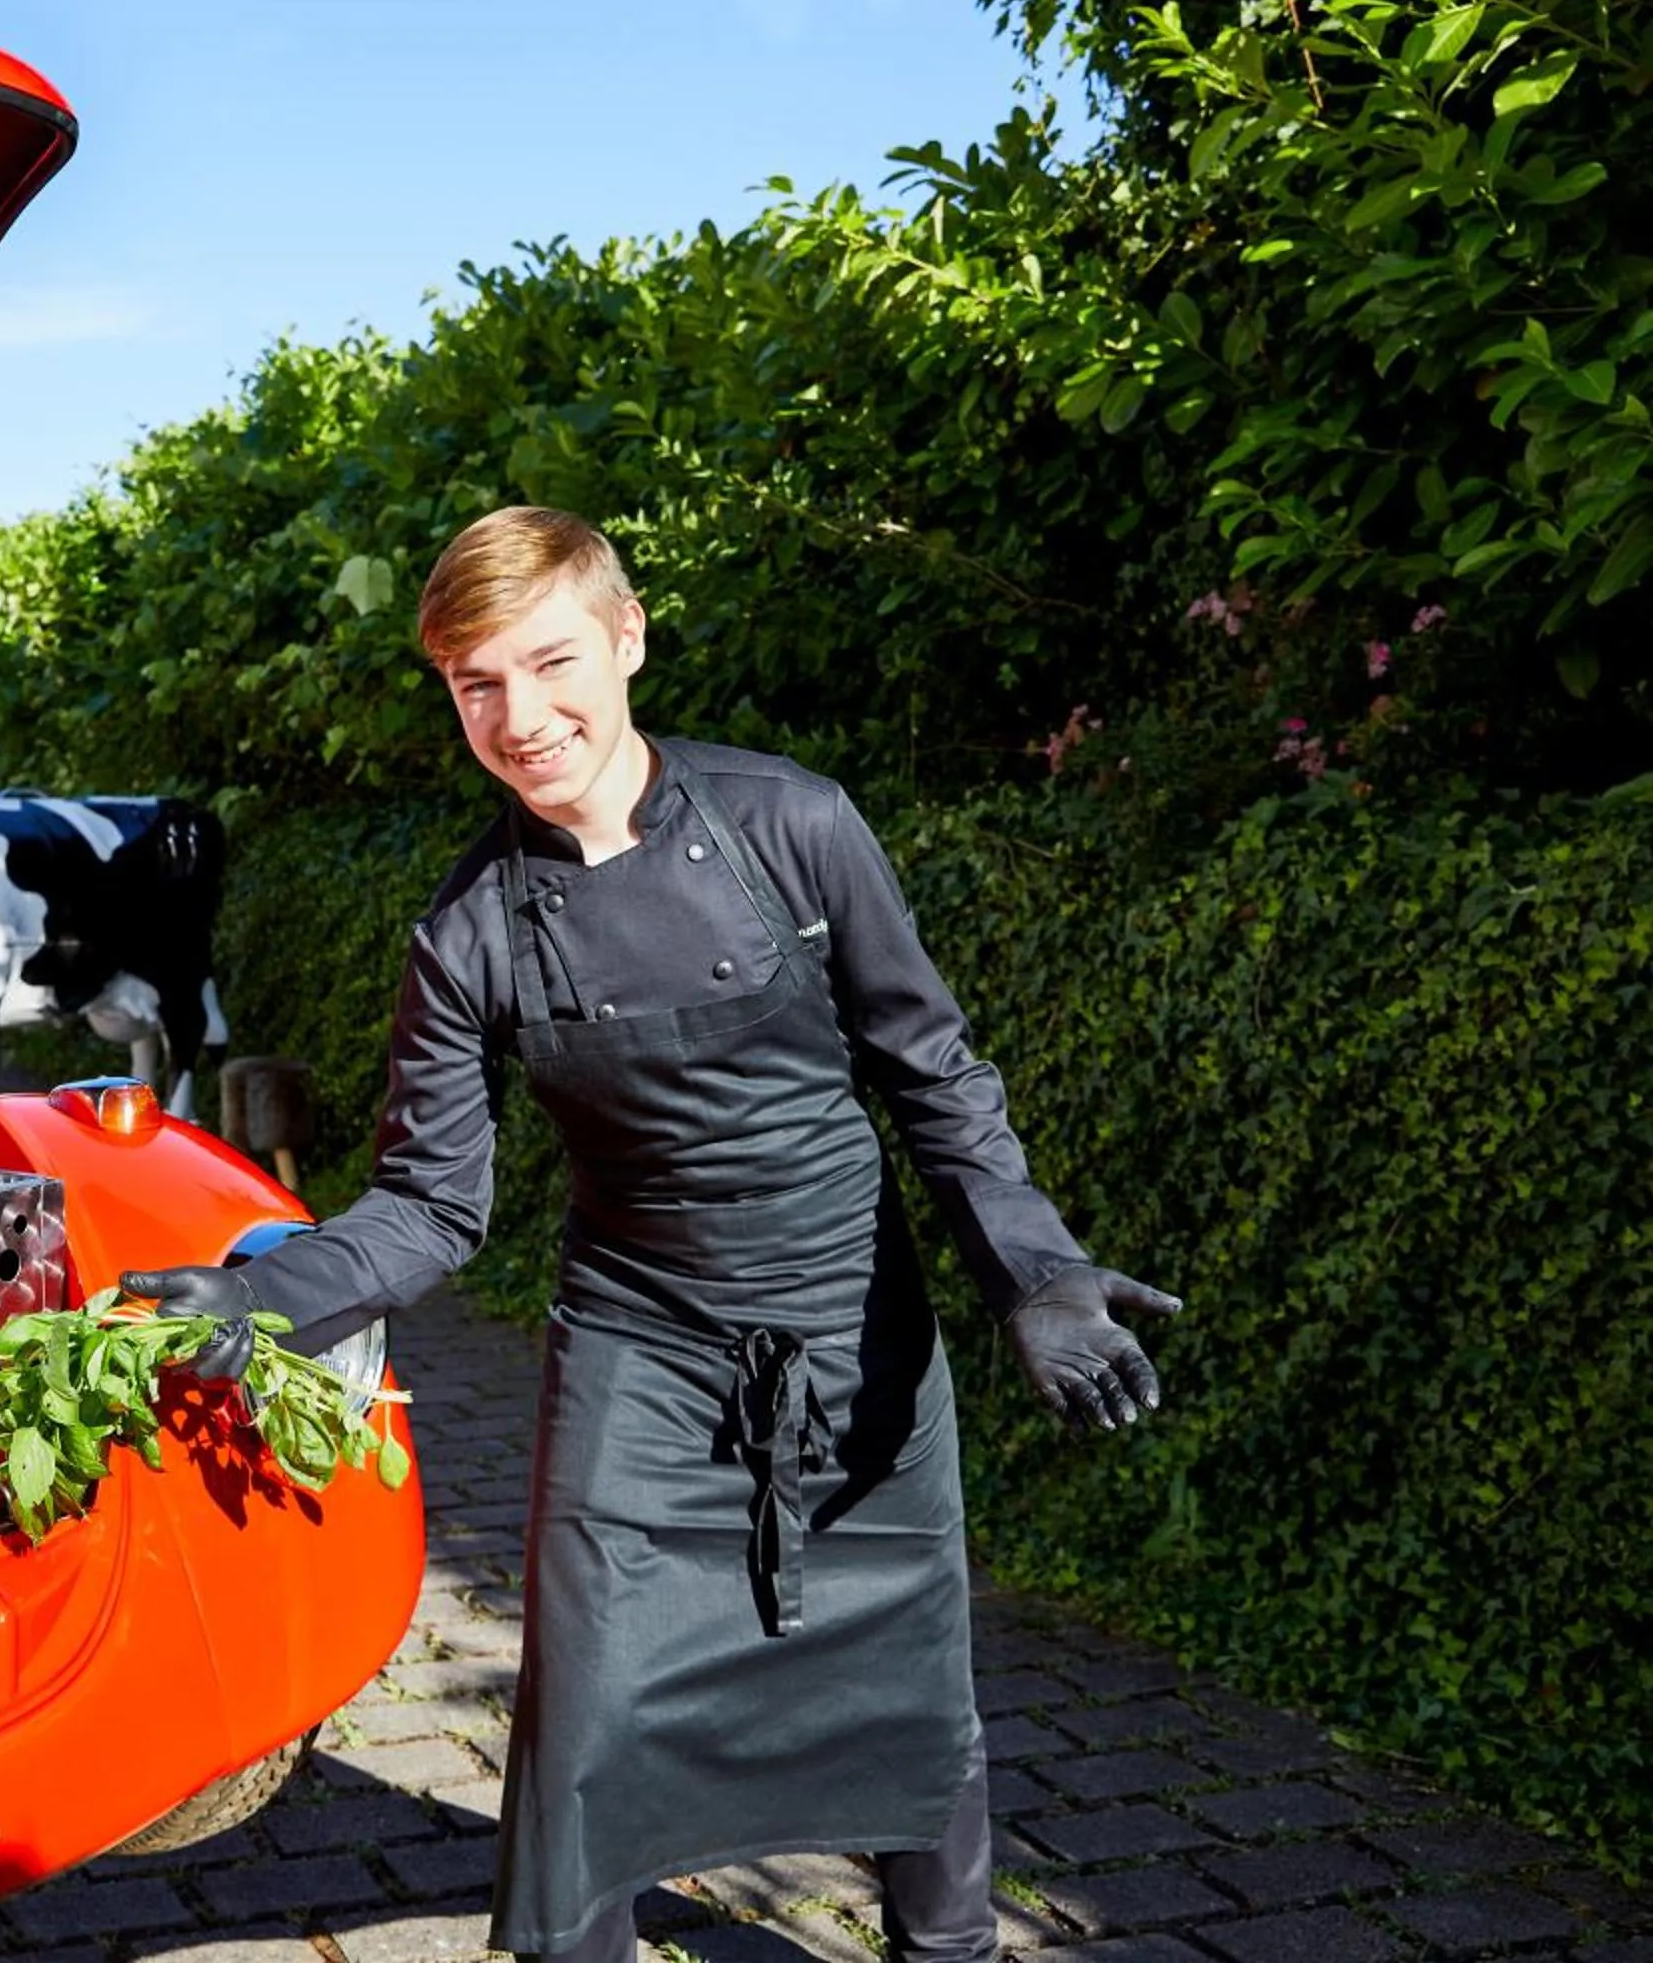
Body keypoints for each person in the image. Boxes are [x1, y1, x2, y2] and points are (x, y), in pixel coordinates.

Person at [120, 507, 1180, 1963]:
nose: (521, 715)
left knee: (910, 1700)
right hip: (637, 1349)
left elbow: (931, 1072)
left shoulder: (795, 826)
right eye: (476, 683)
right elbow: (433, 1206)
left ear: (626, 639)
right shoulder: (467, 932)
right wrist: (261, 1297)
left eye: (550, 662)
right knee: (588, 1721)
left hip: (850, 1330)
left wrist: (1038, 1273)